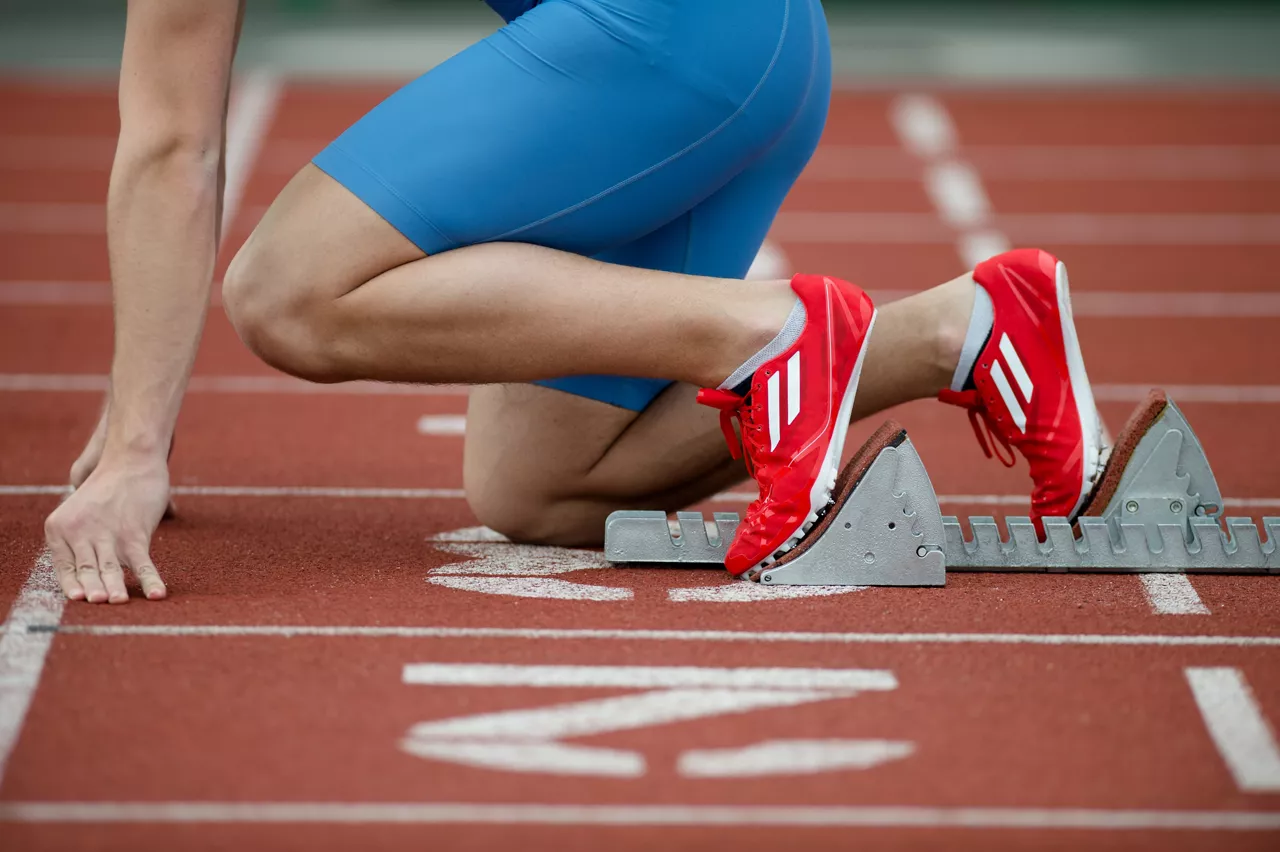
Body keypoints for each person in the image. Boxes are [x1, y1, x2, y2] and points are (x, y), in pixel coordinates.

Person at [44, 0, 1105, 603]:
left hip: (671, 38)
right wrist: (132, 425)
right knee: (541, 488)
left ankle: (774, 334)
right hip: (754, 48)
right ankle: (956, 331)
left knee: (287, 291)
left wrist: (140, 447)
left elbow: (174, 144)